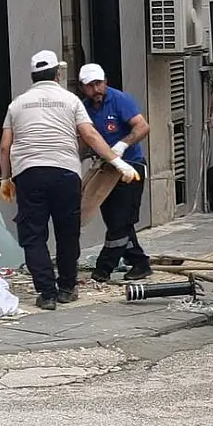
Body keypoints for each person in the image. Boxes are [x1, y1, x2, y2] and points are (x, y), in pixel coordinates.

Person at [0, 50, 139, 311]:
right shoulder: (71, 100)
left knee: (33, 236)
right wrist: (119, 163)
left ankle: (46, 294)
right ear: (57, 73)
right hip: (65, 174)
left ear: (33, 75)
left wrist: (6, 179)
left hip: (29, 174)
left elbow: (5, 147)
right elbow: (90, 135)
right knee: (67, 233)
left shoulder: (17, 104)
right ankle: (66, 288)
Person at [78, 63, 153, 283]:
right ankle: (140, 263)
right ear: (83, 88)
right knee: (115, 221)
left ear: (105, 81)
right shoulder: (85, 108)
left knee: (120, 221)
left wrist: (122, 145)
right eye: (90, 86)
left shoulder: (119, 100)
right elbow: (85, 140)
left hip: (130, 166)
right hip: (105, 169)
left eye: (98, 83)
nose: (96, 89)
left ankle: (103, 269)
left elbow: (142, 127)